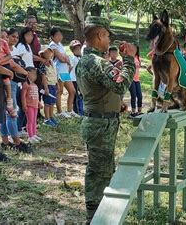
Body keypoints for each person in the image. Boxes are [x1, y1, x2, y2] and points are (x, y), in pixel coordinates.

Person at [76, 17, 136, 222]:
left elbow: (98, 90)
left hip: (100, 120)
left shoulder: (86, 61)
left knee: (103, 169)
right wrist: (129, 59)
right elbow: (120, 85)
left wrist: (113, 103)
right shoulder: (96, 62)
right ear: (100, 35)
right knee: (99, 172)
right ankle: (95, 217)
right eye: (108, 35)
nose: (109, 40)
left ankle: (102, 214)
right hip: (100, 124)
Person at [0, 27, 29, 150]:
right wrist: (26, 74)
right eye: (5, 37)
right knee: (12, 112)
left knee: (6, 113)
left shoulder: (9, 50)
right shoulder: (3, 51)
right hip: (8, 82)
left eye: (7, 36)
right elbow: (14, 66)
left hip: (9, 82)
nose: (6, 39)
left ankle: (5, 141)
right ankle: (17, 143)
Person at [49, 27, 78, 118]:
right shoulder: (53, 45)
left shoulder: (60, 44)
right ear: (52, 37)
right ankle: (59, 111)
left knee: (72, 91)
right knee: (59, 91)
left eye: (60, 35)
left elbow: (65, 57)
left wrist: (66, 58)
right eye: (57, 35)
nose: (60, 37)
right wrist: (66, 59)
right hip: (59, 71)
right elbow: (61, 58)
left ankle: (70, 110)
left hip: (65, 71)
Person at [21, 67, 42, 144]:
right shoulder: (26, 84)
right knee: (30, 121)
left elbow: (36, 96)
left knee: (34, 121)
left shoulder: (35, 85)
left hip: (35, 106)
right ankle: (30, 136)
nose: (35, 76)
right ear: (28, 73)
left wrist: (39, 103)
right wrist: (24, 105)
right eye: (33, 74)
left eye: (35, 75)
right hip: (29, 105)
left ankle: (34, 134)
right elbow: (23, 96)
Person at [39, 47, 59, 126]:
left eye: (50, 52)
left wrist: (57, 83)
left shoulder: (52, 63)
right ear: (43, 54)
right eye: (46, 52)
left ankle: (51, 116)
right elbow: (43, 76)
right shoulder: (43, 64)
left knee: (52, 102)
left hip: (53, 84)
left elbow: (55, 73)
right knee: (47, 103)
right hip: (48, 85)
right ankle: (46, 119)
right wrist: (46, 87)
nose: (49, 54)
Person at [69, 40, 84, 116]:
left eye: (79, 48)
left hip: (79, 79)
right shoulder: (72, 58)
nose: (78, 50)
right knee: (76, 96)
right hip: (73, 79)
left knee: (81, 95)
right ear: (72, 50)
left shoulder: (81, 58)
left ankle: (81, 110)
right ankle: (78, 112)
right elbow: (70, 68)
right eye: (76, 49)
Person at [129, 46, 143, 117]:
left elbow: (139, 65)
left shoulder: (137, 57)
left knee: (140, 96)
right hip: (131, 79)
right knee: (133, 95)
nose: (134, 50)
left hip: (137, 79)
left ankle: (139, 111)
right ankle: (133, 112)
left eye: (135, 49)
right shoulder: (129, 57)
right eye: (133, 48)